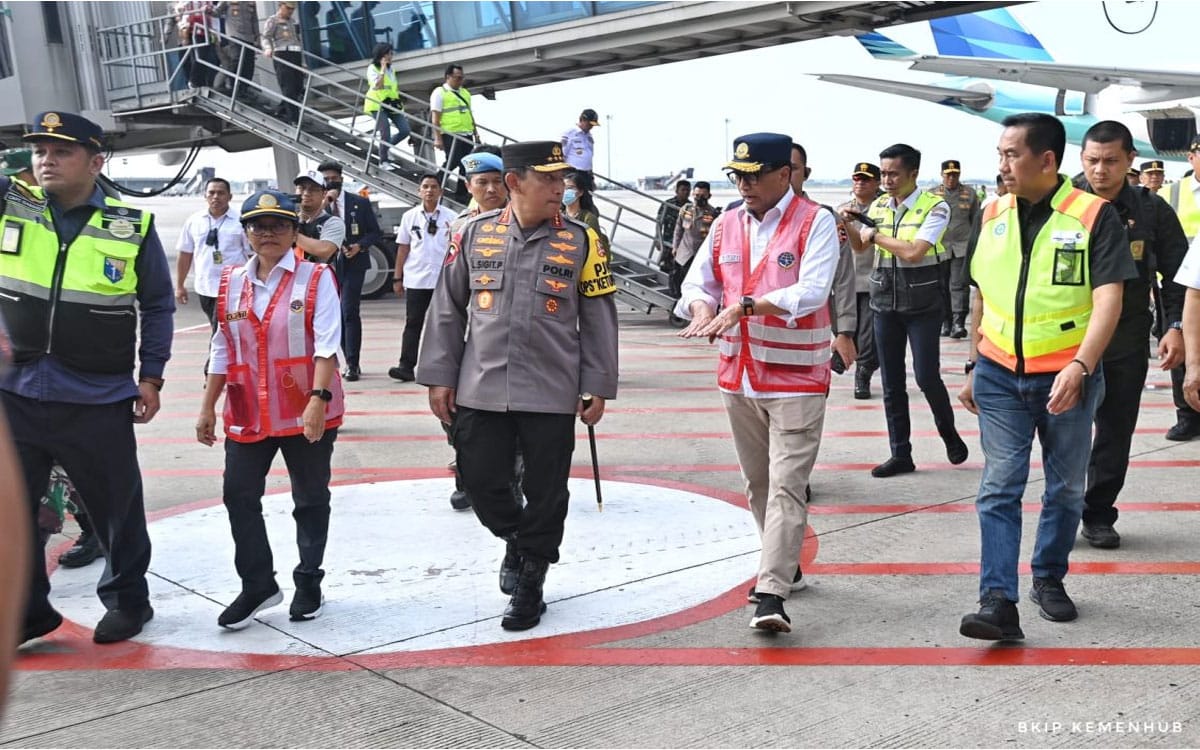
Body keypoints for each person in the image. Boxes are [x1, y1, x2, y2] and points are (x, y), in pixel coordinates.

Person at [418, 140, 618, 631]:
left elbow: (598, 318)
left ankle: (531, 578)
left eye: (562, 178)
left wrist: (596, 385)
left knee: (547, 491)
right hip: (481, 384)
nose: (559, 187)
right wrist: (440, 376)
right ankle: (519, 540)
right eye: (548, 178)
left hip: (551, 388)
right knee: (480, 481)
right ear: (514, 182)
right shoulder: (472, 234)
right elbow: (447, 309)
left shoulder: (583, 240)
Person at [956, 113, 1135, 640]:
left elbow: (1109, 299)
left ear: (1047, 160)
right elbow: (980, 295)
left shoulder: (1093, 216)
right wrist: (973, 364)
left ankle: (1049, 577)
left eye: (1012, 154)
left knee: (1065, 488)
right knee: (999, 485)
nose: (1002, 165)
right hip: (998, 375)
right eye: (1000, 154)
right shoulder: (991, 213)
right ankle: (997, 601)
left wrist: (1081, 365)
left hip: (1067, 377)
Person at [0, 111, 175, 645]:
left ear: (96, 162)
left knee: (116, 510)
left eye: (61, 152)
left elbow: (158, 305)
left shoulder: (131, 226)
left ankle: (128, 601)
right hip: (16, 392)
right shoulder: (12, 204)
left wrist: (152, 376)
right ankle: (28, 612)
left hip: (96, 395)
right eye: (39, 151)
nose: (46, 161)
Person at [675, 133, 838, 633]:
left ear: (784, 174)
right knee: (759, 484)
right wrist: (701, 308)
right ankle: (786, 563)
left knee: (788, 487)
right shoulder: (725, 224)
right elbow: (698, 282)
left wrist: (747, 306)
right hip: (739, 376)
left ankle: (771, 593)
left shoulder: (816, 221)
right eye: (736, 176)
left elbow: (812, 292)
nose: (743, 185)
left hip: (795, 379)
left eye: (753, 175)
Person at [196, 190, 344, 629]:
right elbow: (222, 346)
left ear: (294, 231)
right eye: (258, 226)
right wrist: (207, 406)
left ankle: (309, 580)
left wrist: (317, 400)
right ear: (246, 233)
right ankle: (258, 584)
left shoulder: (315, 278)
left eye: (279, 225)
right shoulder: (231, 282)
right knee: (238, 494)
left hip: (304, 407)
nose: (268, 234)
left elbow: (327, 343)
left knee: (310, 497)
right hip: (249, 409)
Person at [1075, 122, 1187, 550]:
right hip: (1068, 340)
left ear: (1130, 160)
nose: (1100, 170)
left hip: (1125, 340)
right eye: (1092, 160)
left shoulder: (1152, 209)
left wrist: (1174, 326)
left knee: (1115, 431)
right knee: (1063, 433)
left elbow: (1177, 276)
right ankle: (1061, 512)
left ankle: (1098, 513)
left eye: (1110, 161)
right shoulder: (1062, 203)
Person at [843, 143, 966, 478]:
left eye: (894, 174)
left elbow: (914, 252)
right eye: (883, 173)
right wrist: (850, 225)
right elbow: (860, 247)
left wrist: (874, 235)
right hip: (885, 302)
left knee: (926, 376)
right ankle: (900, 453)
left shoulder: (935, 207)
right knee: (892, 382)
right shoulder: (879, 205)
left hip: (923, 303)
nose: (887, 180)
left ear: (914, 174)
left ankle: (949, 433)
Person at [443, 148, 516, 512]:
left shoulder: (524, 220)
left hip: (509, 335)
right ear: (468, 185)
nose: (490, 189)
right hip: (470, 336)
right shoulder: (459, 226)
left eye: (496, 182)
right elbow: (450, 288)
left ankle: (512, 480)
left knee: (511, 417)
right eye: (481, 182)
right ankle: (466, 478)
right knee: (461, 415)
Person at [318, 160, 382, 382]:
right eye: (326, 179)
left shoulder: (359, 203)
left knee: (349, 311)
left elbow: (375, 232)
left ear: (342, 179)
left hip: (354, 263)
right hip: (327, 266)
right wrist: (324, 204)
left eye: (334, 179)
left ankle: (353, 363)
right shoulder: (318, 206)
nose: (330, 182)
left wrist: (359, 246)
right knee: (335, 314)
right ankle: (344, 358)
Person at [388, 175, 456, 382]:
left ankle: (445, 366)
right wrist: (397, 278)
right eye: (425, 187)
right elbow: (403, 248)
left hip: (443, 278)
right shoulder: (409, 216)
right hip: (417, 278)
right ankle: (406, 366)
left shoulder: (452, 217)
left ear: (441, 191)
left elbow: (457, 249)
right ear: (419, 191)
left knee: (445, 324)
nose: (429, 190)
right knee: (413, 323)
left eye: (434, 187)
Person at [1157, 139, 1200, 441]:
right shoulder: (1171, 193)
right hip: (1176, 282)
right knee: (1179, 350)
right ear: (1191, 157)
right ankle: (1187, 415)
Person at [175, 177, 252, 338]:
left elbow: (252, 255)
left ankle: (214, 354)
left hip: (233, 287)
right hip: (205, 286)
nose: (216, 197)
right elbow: (185, 253)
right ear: (205, 196)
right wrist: (180, 285)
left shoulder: (241, 221)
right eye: (211, 193)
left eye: (221, 193)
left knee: (221, 329)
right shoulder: (194, 221)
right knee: (218, 326)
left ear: (230, 196)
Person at [838, 161, 883, 399]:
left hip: (872, 279)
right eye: (856, 178)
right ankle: (847, 360)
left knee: (868, 336)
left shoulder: (883, 210)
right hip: (845, 282)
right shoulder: (841, 210)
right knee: (846, 331)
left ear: (877, 183)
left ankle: (863, 374)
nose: (860, 183)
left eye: (865, 179)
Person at [930, 159, 980, 339]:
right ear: (941, 175)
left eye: (955, 175)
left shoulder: (970, 193)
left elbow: (976, 221)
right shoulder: (932, 195)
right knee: (941, 286)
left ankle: (959, 322)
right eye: (948, 175)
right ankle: (946, 322)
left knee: (959, 285)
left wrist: (975, 245)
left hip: (961, 246)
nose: (951, 178)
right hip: (940, 247)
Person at [430, 64, 478, 203]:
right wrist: (438, 138)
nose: (460, 81)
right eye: (457, 78)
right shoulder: (440, 92)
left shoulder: (465, 93)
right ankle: (436, 181)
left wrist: (476, 133)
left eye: (462, 78)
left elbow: (469, 114)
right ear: (448, 77)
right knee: (454, 160)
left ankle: (462, 193)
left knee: (468, 164)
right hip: (450, 133)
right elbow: (435, 118)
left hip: (467, 132)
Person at [364, 43, 411, 168]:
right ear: (382, 55)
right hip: (377, 104)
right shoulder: (372, 68)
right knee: (385, 131)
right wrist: (383, 70)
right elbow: (378, 86)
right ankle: (383, 161)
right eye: (389, 54)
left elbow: (393, 88)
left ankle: (386, 148)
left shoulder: (392, 69)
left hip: (391, 103)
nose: (391, 56)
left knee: (405, 130)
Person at [669, 181, 718, 298]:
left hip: (701, 254)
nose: (699, 198)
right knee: (677, 283)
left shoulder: (712, 213)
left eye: (703, 195)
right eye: (696, 195)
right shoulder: (686, 209)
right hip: (684, 254)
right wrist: (675, 246)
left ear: (709, 196)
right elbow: (678, 229)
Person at [262, 1, 303, 124]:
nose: (290, 11)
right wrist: (268, 48)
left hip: (295, 54)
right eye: (288, 8)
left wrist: (303, 62)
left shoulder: (293, 21)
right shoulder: (273, 20)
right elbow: (266, 37)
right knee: (288, 88)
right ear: (281, 6)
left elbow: (297, 39)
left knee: (298, 87)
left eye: (292, 9)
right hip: (282, 54)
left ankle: (281, 110)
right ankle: (294, 119)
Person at [293, 171, 343, 263]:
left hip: (319, 272)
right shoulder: (289, 219)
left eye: (313, 189)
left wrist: (288, 234)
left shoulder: (333, 222)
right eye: (302, 188)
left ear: (324, 194)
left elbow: (324, 250)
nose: (306, 193)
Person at [213, 1, 258, 100]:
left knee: (249, 64)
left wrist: (257, 36)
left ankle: (244, 88)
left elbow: (254, 20)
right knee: (237, 59)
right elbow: (216, 12)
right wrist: (208, 10)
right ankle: (233, 86)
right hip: (235, 34)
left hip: (249, 37)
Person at [562, 171, 610, 253]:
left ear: (580, 192)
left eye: (570, 188)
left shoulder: (589, 218)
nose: (565, 191)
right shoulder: (557, 216)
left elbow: (596, 247)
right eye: (563, 187)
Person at [176, 0, 219, 89]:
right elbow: (184, 16)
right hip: (194, 30)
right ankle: (194, 81)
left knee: (205, 58)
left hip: (206, 30)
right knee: (199, 56)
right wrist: (185, 35)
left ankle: (201, 82)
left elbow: (213, 13)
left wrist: (215, 32)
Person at [561, 108, 600, 193]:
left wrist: (591, 177)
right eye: (589, 124)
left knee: (587, 199)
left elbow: (589, 158)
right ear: (582, 120)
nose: (591, 127)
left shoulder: (589, 136)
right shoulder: (570, 133)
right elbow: (562, 154)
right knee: (572, 198)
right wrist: (565, 175)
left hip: (587, 174)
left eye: (593, 125)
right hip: (573, 173)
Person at [655, 180, 690, 271]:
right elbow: (659, 223)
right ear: (677, 191)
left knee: (681, 271)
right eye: (683, 190)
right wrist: (657, 239)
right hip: (668, 242)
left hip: (683, 245)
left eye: (688, 190)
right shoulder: (668, 204)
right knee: (665, 269)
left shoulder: (691, 207)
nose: (686, 192)